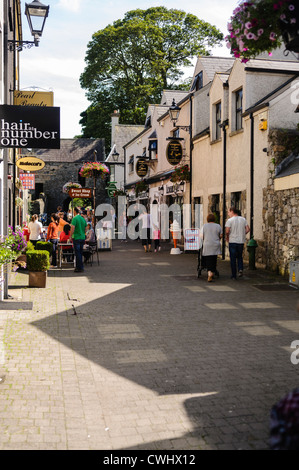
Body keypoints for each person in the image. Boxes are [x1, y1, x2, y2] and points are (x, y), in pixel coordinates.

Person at [225, 206, 250, 280]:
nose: (228, 214)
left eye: (229, 212)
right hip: (241, 241)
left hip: (233, 241)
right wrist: (243, 233)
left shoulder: (229, 220)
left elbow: (227, 231)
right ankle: (240, 269)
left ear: (232, 211)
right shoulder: (243, 219)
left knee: (233, 258)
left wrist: (227, 237)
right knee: (239, 256)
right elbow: (248, 229)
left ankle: (233, 275)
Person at [202, 213, 222, 282]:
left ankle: (209, 272)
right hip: (215, 244)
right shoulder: (218, 226)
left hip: (207, 244)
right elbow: (221, 235)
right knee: (214, 258)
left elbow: (202, 236)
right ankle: (213, 271)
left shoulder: (204, 226)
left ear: (207, 219)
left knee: (208, 259)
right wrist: (218, 238)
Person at [70, 207, 87, 273]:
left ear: (74, 211)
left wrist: (70, 236)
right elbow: (86, 228)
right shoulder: (83, 219)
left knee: (77, 253)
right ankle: (81, 266)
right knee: (80, 252)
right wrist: (83, 233)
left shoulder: (74, 218)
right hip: (82, 237)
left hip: (76, 237)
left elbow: (72, 227)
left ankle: (79, 268)